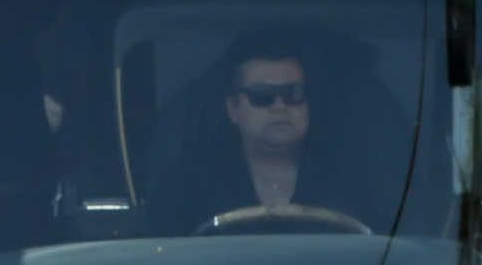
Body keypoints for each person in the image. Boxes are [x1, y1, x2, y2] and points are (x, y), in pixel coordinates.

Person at [149, 34, 387, 235]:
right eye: (261, 96)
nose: (280, 106)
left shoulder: (351, 181)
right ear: (233, 109)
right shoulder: (192, 189)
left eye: (294, 93)